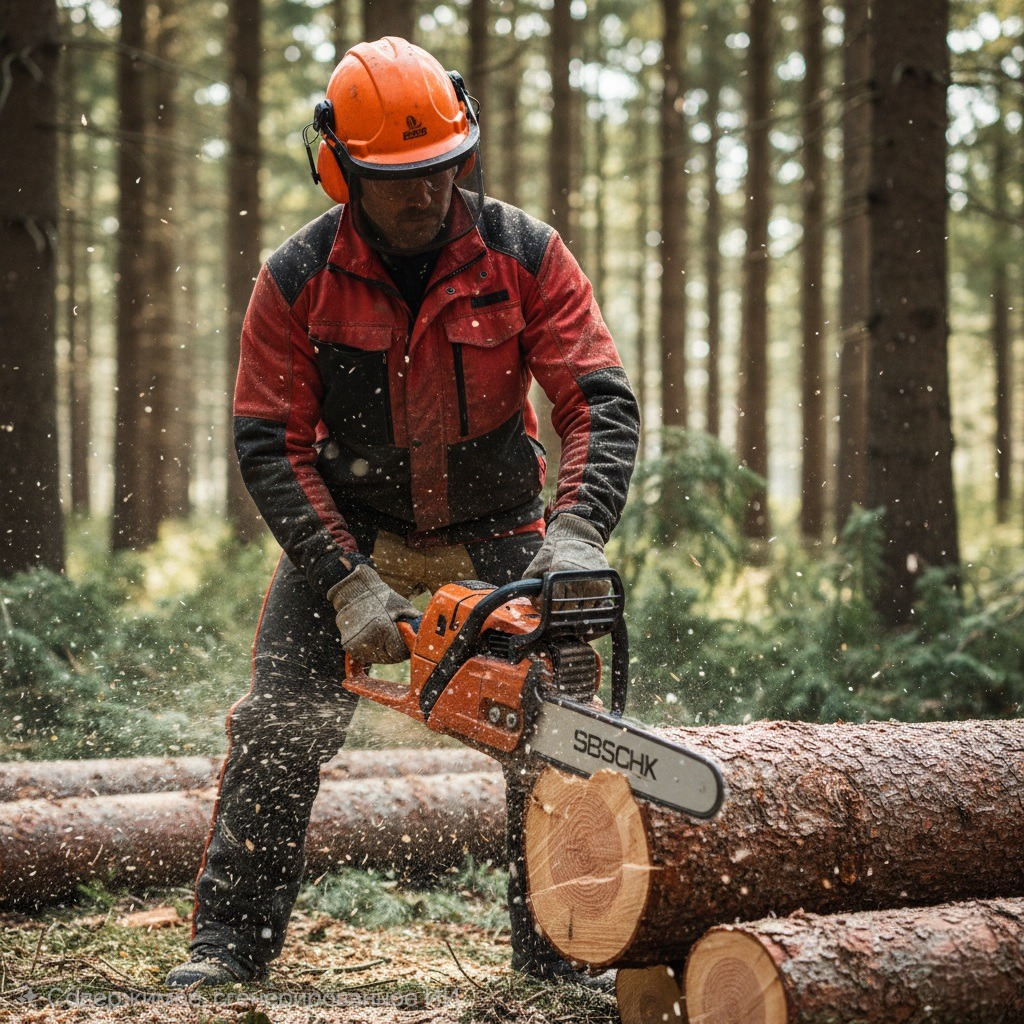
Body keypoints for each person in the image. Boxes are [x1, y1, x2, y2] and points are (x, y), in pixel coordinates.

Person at [165, 36, 639, 989]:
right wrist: (343, 579)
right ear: (340, 169)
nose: (424, 194)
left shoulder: (524, 253)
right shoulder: (297, 276)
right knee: (278, 726)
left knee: (556, 730)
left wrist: (577, 528)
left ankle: (555, 954)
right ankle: (229, 946)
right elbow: (269, 439)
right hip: (350, 530)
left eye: (439, 170)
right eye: (396, 178)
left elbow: (597, 397)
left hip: (500, 522)